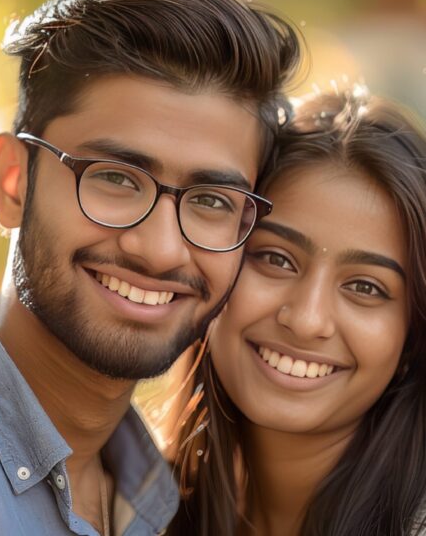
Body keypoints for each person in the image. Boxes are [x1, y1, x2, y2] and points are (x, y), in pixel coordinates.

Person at [0, 0, 301, 535]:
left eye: (211, 200)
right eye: (117, 179)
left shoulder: (168, 498)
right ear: (12, 184)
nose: (159, 249)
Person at [170, 89, 426, 536]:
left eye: (365, 287)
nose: (307, 320)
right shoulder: (137, 508)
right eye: (275, 259)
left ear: (413, 336)